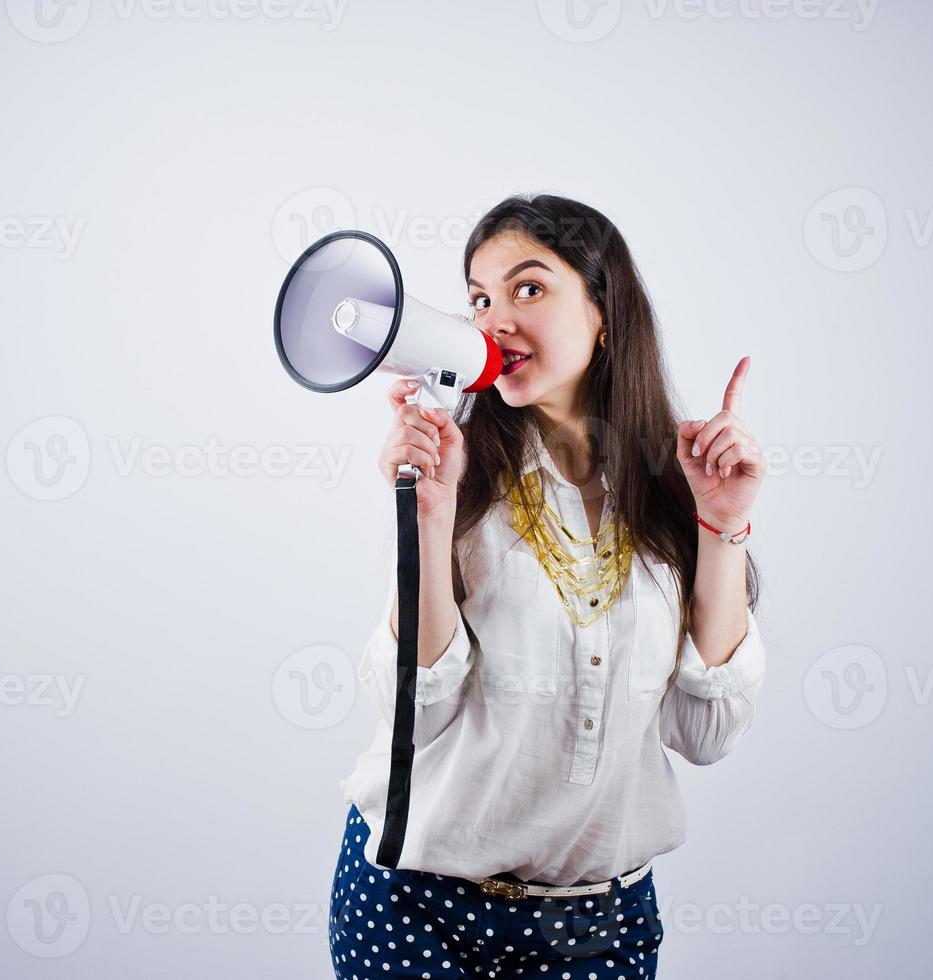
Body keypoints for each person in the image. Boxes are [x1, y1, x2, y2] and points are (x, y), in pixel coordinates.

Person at [328, 193, 769, 980]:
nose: (493, 319)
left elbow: (705, 735)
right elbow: (412, 712)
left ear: (604, 309)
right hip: (415, 906)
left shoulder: (678, 492)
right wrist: (429, 520)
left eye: (528, 288)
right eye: (478, 298)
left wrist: (720, 525)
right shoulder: (459, 482)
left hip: (600, 924)